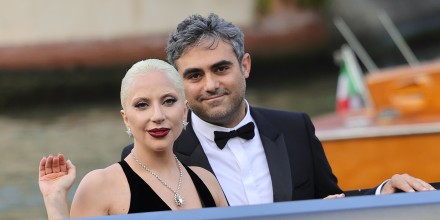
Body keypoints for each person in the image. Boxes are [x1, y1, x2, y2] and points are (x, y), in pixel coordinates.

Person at [121, 13, 436, 206]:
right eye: (194, 75)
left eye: (220, 68)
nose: (210, 84)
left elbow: (330, 203)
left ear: (244, 65)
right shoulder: (151, 152)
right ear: (179, 82)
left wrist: (383, 192)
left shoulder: (295, 128)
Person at [38, 59, 228, 219]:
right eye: (142, 104)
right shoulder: (100, 186)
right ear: (126, 118)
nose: (157, 115)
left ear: (185, 110)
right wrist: (54, 200)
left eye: (168, 101)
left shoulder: (207, 181)